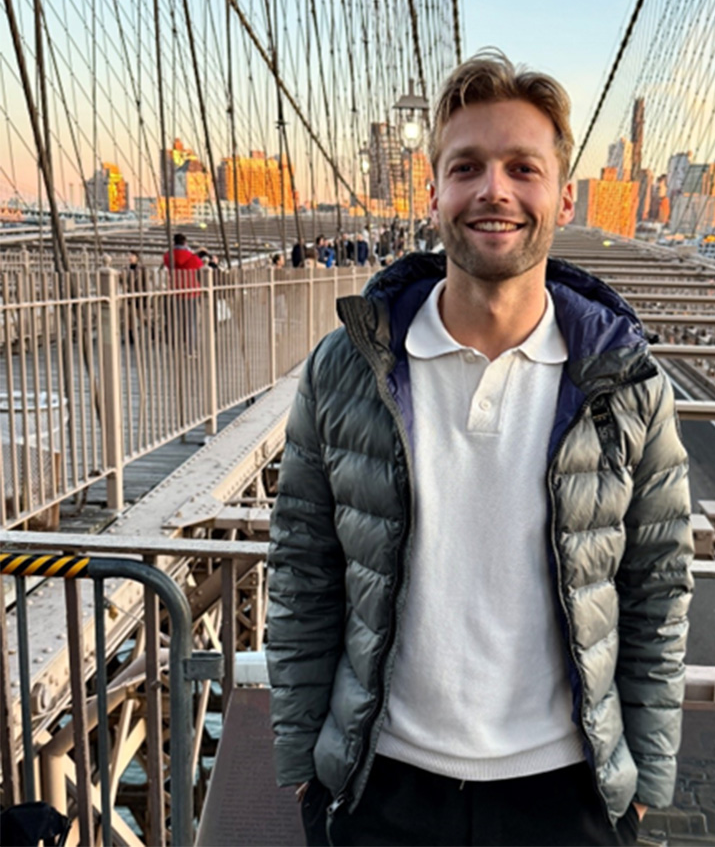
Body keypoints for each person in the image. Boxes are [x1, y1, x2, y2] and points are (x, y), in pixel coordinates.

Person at [267, 51, 693, 847]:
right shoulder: (346, 369)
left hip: (564, 792)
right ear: (433, 194)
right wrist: (303, 762)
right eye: (468, 167)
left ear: (564, 196)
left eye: (522, 168)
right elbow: (302, 565)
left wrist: (642, 784)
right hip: (381, 785)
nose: (494, 190)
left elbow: (658, 585)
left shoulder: (629, 384)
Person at [162, 232, 203, 353]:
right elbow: (200, 266)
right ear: (185, 242)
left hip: (175, 290)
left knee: (177, 320)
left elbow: (166, 261)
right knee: (191, 321)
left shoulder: (169, 256)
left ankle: (177, 346)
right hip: (191, 291)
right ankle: (191, 348)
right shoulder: (191, 257)